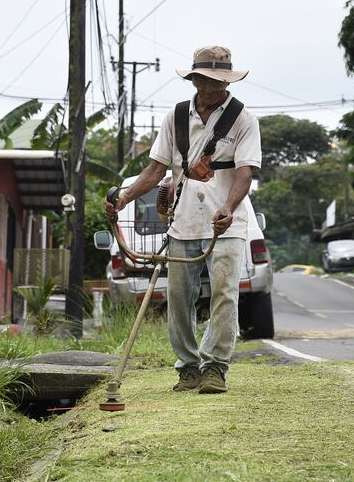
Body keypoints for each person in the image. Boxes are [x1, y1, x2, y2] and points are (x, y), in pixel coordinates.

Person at [105, 45, 262, 394]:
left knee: (224, 293)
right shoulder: (175, 117)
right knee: (178, 297)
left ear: (226, 83)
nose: (211, 89)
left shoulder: (243, 119)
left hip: (227, 223)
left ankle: (215, 368)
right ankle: (188, 366)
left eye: (218, 82)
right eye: (205, 81)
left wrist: (229, 208)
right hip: (184, 221)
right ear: (194, 80)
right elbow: (154, 169)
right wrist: (125, 198)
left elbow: (244, 173)